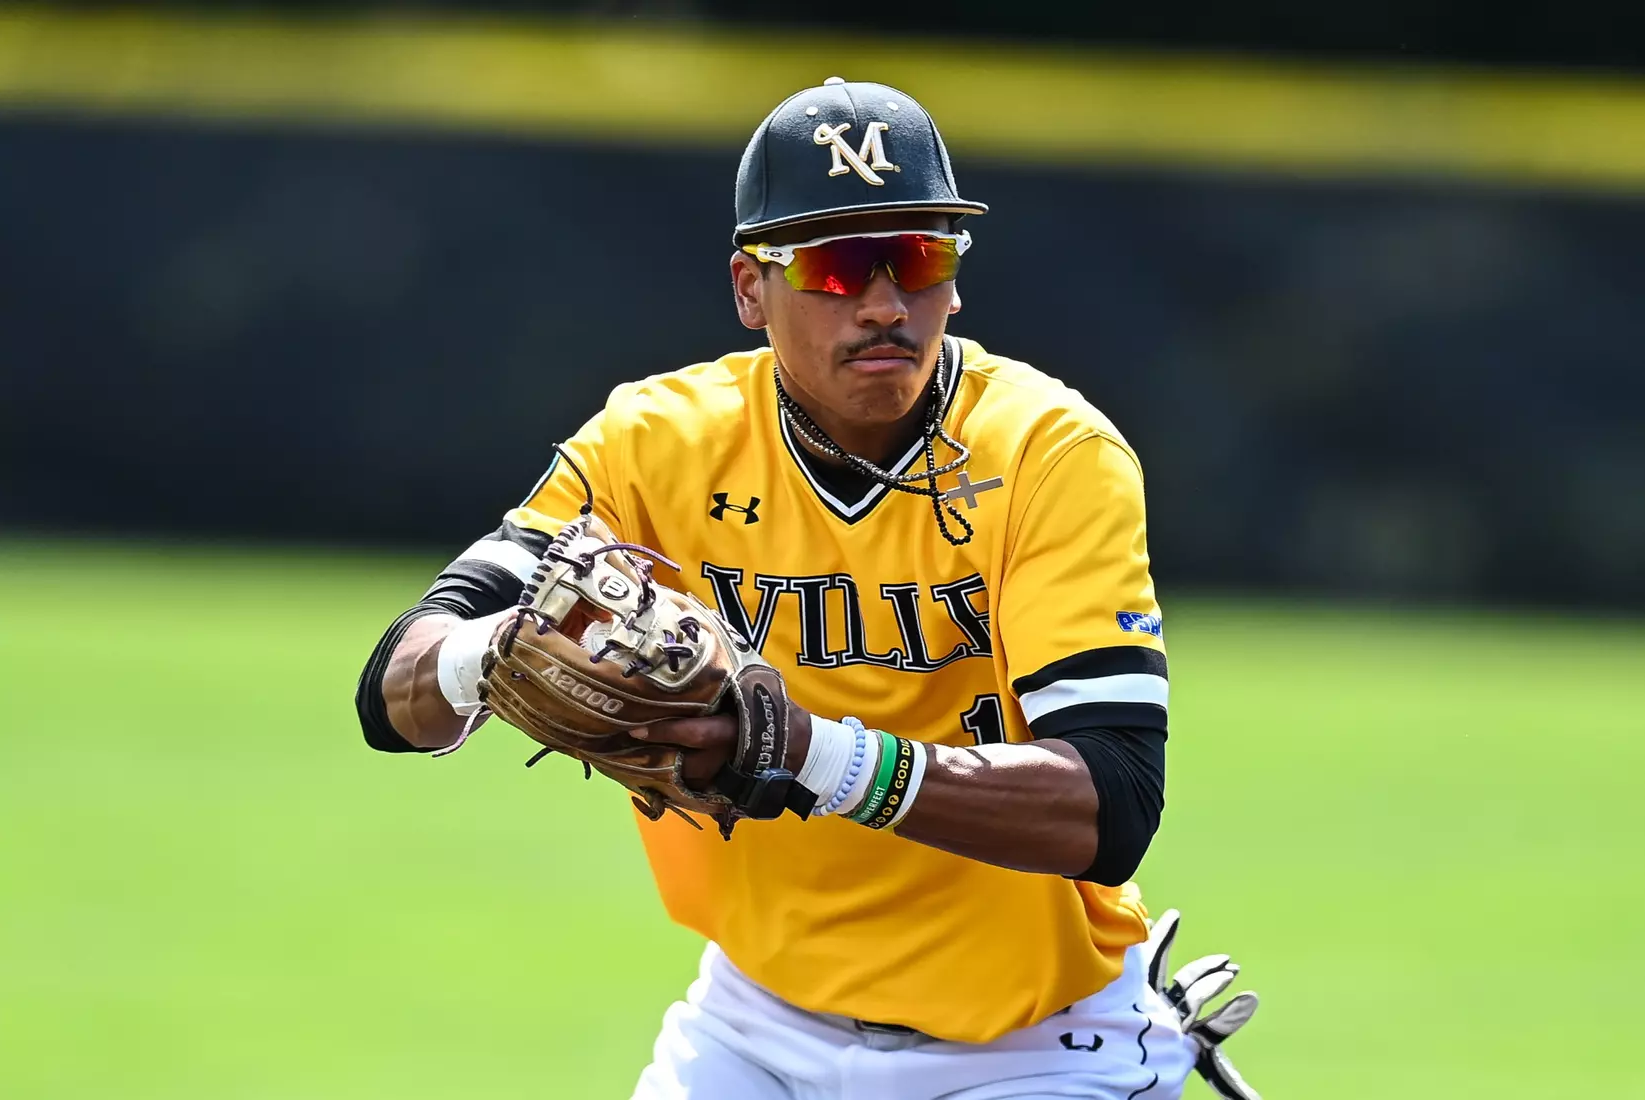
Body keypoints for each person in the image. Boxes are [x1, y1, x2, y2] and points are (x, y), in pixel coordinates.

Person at [354, 76, 1260, 1100]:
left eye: (917, 257)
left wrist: (810, 756)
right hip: (753, 1024)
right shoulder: (655, 444)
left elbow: (1110, 804)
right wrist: (490, 654)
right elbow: (392, 691)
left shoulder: (1050, 453)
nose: (883, 304)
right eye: (834, 267)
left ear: (954, 281)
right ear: (749, 290)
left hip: (1033, 1045)